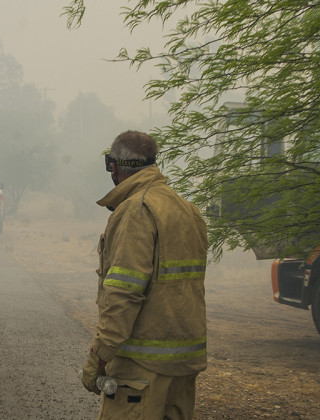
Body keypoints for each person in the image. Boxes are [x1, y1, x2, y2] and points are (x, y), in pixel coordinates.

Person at [81, 130, 208, 419]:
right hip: (183, 367)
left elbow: (124, 294)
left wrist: (97, 359)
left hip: (141, 369)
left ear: (114, 168)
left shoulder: (135, 211)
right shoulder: (187, 209)